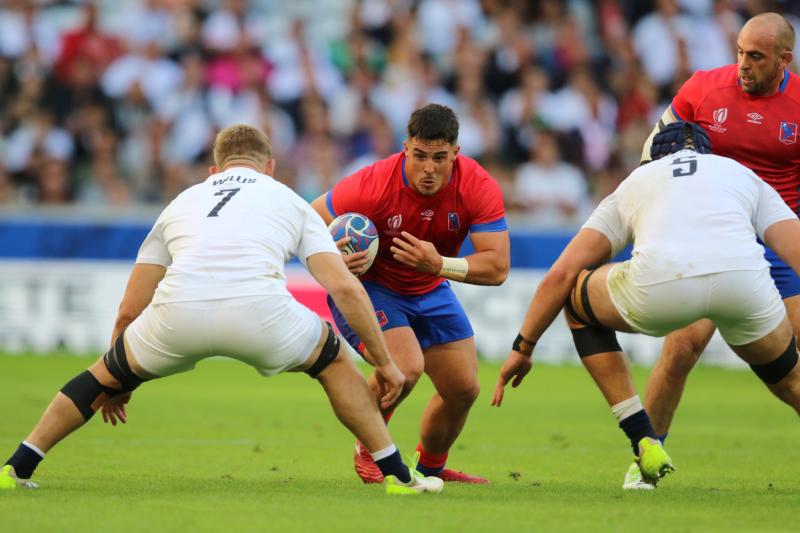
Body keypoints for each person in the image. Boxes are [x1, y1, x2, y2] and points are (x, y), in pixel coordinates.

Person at [0, 124, 443, 496]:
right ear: (270, 167)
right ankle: (396, 476)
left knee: (96, 376)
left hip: (179, 314)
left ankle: (16, 466)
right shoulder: (287, 198)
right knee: (332, 360)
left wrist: (120, 374)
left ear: (215, 170)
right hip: (260, 313)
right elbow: (344, 287)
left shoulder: (181, 202)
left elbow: (129, 308)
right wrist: (384, 363)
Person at [492, 122, 800, 486]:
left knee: (575, 298)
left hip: (663, 285)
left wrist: (524, 346)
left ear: (653, 156)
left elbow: (560, 275)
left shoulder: (638, 180)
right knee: (790, 378)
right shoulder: (740, 173)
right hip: (743, 283)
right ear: (708, 153)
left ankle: (643, 439)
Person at [626, 12, 800, 489]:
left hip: (777, 239)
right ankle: (646, 461)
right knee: (682, 346)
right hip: (712, 237)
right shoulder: (703, 88)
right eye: (739, 52)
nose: (743, 63)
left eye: (756, 56)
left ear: (784, 60)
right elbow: (652, 152)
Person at [310, 103, 510, 484]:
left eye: (439, 157)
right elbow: (310, 218)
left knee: (463, 388)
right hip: (373, 287)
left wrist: (439, 265)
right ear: (406, 148)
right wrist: (333, 258)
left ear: (456, 153)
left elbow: (498, 267)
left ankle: (430, 468)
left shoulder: (477, 185)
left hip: (431, 285)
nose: (428, 168)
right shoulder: (373, 184)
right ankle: (370, 450)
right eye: (419, 156)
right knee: (405, 367)